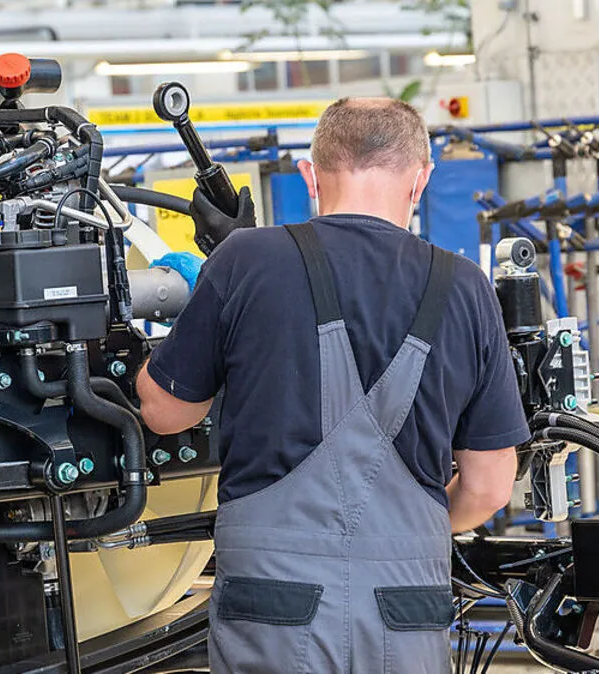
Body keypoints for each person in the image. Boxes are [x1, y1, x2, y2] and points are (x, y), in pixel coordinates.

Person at [136, 98, 527, 674]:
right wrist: (398, 533)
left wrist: (202, 312)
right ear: (421, 179)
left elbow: (164, 411)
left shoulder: (245, 260)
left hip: (272, 605)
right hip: (408, 605)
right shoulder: (465, 288)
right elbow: (491, 487)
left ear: (309, 175)